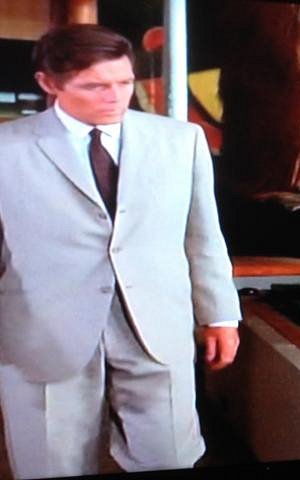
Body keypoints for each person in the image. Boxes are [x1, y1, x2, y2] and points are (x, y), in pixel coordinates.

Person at [0, 24, 242, 478]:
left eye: (124, 82)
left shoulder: (181, 141)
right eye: (94, 86)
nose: (115, 97)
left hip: (157, 324)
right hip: (42, 331)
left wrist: (220, 316)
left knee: (171, 456)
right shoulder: (6, 150)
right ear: (48, 83)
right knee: (50, 465)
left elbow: (203, 236)